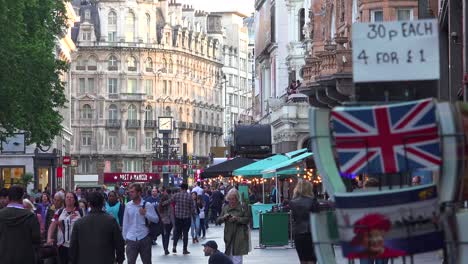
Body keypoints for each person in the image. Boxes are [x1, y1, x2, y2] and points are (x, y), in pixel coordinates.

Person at [70, 191, 125, 264]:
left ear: (89, 204)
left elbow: (73, 247)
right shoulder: (111, 221)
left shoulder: (79, 223)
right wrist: (120, 259)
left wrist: (73, 261)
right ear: (103, 203)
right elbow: (119, 244)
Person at [0, 185, 41, 264]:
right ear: (22, 198)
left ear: (8, 198)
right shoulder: (30, 216)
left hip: (4, 258)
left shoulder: (1, 215)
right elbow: (37, 239)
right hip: (25, 257)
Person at [122, 183, 159, 264]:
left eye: (132, 192)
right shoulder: (128, 206)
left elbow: (156, 219)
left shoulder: (147, 205)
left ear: (139, 193)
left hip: (144, 237)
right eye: (130, 192)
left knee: (147, 262)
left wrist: (146, 214)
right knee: (130, 262)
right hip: (131, 239)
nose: (130, 194)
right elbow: (125, 223)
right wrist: (125, 238)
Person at [47, 192, 84, 264]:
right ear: (64, 200)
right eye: (67, 197)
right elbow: (52, 225)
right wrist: (49, 238)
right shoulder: (59, 212)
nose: (69, 199)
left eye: (71, 197)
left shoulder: (80, 212)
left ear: (75, 200)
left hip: (76, 246)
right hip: (62, 245)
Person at [289, 180, 320, 264]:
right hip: (311, 233)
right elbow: (318, 218)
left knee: (303, 259)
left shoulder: (292, 202)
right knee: (312, 259)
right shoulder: (313, 201)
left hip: (298, 234)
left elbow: (293, 219)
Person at [217, 189, 250, 264]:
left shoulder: (242, 206)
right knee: (229, 257)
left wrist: (237, 219)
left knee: (237, 258)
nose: (231, 201)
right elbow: (218, 220)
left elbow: (247, 219)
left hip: (239, 235)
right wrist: (224, 218)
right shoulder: (225, 207)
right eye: (229, 199)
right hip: (228, 235)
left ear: (237, 198)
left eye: (233, 199)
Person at [172, 183, 194, 255]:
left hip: (178, 217)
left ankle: (174, 246)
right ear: (187, 188)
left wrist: (163, 203)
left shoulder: (176, 195)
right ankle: (184, 249)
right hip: (186, 218)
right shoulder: (189, 196)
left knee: (177, 233)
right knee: (185, 234)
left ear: (181, 188)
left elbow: (170, 201)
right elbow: (192, 208)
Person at [157, 189, 173, 255]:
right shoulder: (169, 205)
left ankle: (165, 248)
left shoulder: (160, 206)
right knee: (167, 235)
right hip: (168, 221)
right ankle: (166, 248)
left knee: (164, 235)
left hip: (163, 221)